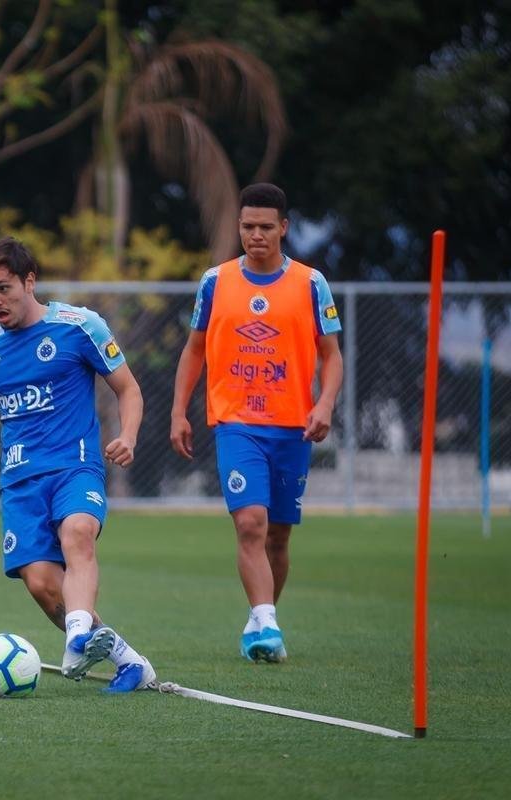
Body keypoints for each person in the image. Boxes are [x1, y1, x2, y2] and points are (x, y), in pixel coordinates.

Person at [0, 236, 156, 692]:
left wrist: (127, 436)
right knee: (41, 584)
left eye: (3, 287)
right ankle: (129, 661)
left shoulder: (80, 326)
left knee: (78, 534)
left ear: (29, 281)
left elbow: (128, 388)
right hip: (19, 480)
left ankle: (76, 637)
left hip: (76, 467)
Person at [169, 182, 343, 663]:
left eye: (266, 227)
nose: (256, 235)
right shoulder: (216, 281)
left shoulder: (310, 283)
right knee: (250, 522)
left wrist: (324, 403)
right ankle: (266, 621)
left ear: (284, 229)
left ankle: (261, 617)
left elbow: (331, 356)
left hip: (293, 427)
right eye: (248, 227)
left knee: (278, 536)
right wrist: (179, 412)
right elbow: (194, 349)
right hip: (235, 422)